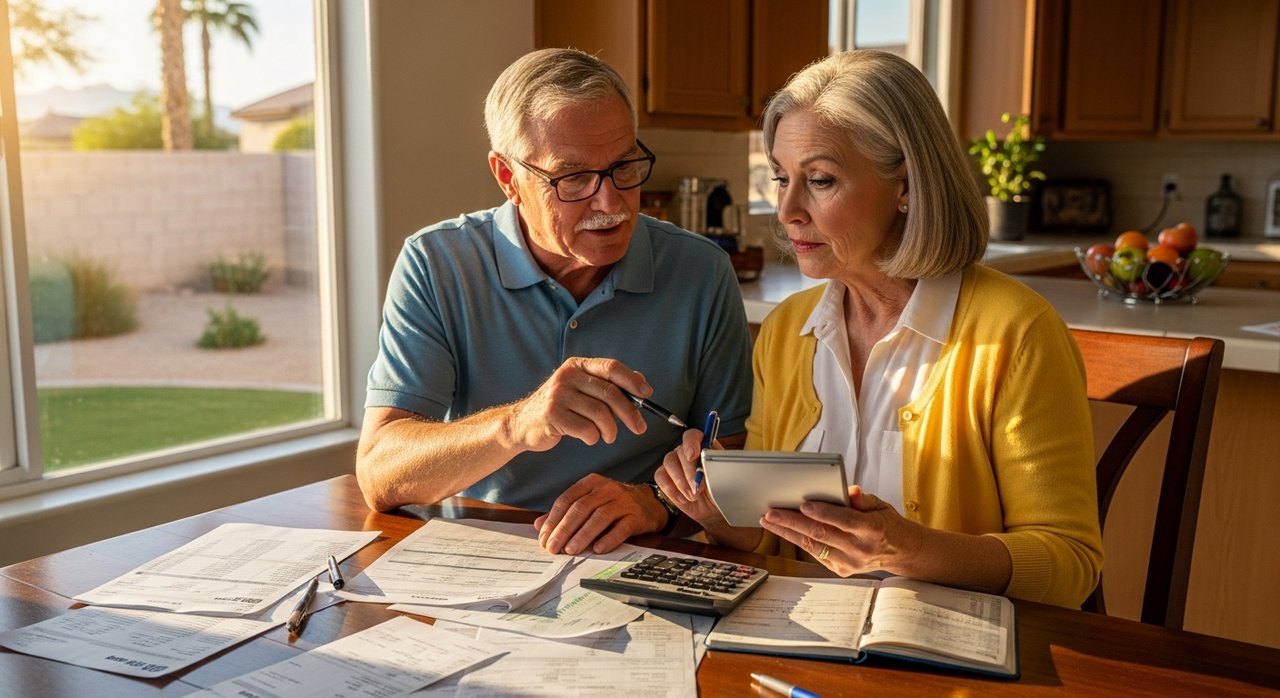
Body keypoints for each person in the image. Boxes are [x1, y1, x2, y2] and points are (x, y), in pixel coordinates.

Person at [656, 50, 1103, 608]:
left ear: (907, 186)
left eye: (819, 179)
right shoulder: (786, 330)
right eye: (780, 177)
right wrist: (716, 511)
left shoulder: (1016, 333)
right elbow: (768, 540)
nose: (788, 209)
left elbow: (1070, 564)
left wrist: (909, 550)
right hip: (801, 642)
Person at [355, 48, 753, 557]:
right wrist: (518, 423)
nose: (610, 204)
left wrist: (656, 503)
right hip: (484, 556)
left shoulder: (702, 271)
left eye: (624, 166)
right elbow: (381, 473)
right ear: (508, 178)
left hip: (642, 557)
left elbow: (729, 458)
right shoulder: (437, 264)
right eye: (573, 179)